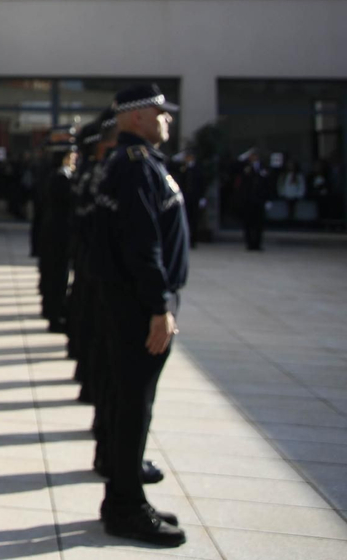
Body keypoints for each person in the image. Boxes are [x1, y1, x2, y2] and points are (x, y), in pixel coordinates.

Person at [94, 84, 190, 547]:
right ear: (136, 117)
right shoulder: (134, 166)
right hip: (137, 305)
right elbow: (142, 245)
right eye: (159, 112)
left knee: (130, 402)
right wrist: (158, 306)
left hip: (137, 302)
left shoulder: (142, 163)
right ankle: (126, 507)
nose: (167, 119)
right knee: (134, 405)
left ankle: (123, 496)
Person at [37, 128, 76, 332]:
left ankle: (54, 311)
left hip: (55, 230)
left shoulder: (60, 175)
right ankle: (55, 316)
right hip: (58, 233)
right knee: (57, 277)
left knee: (57, 275)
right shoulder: (61, 177)